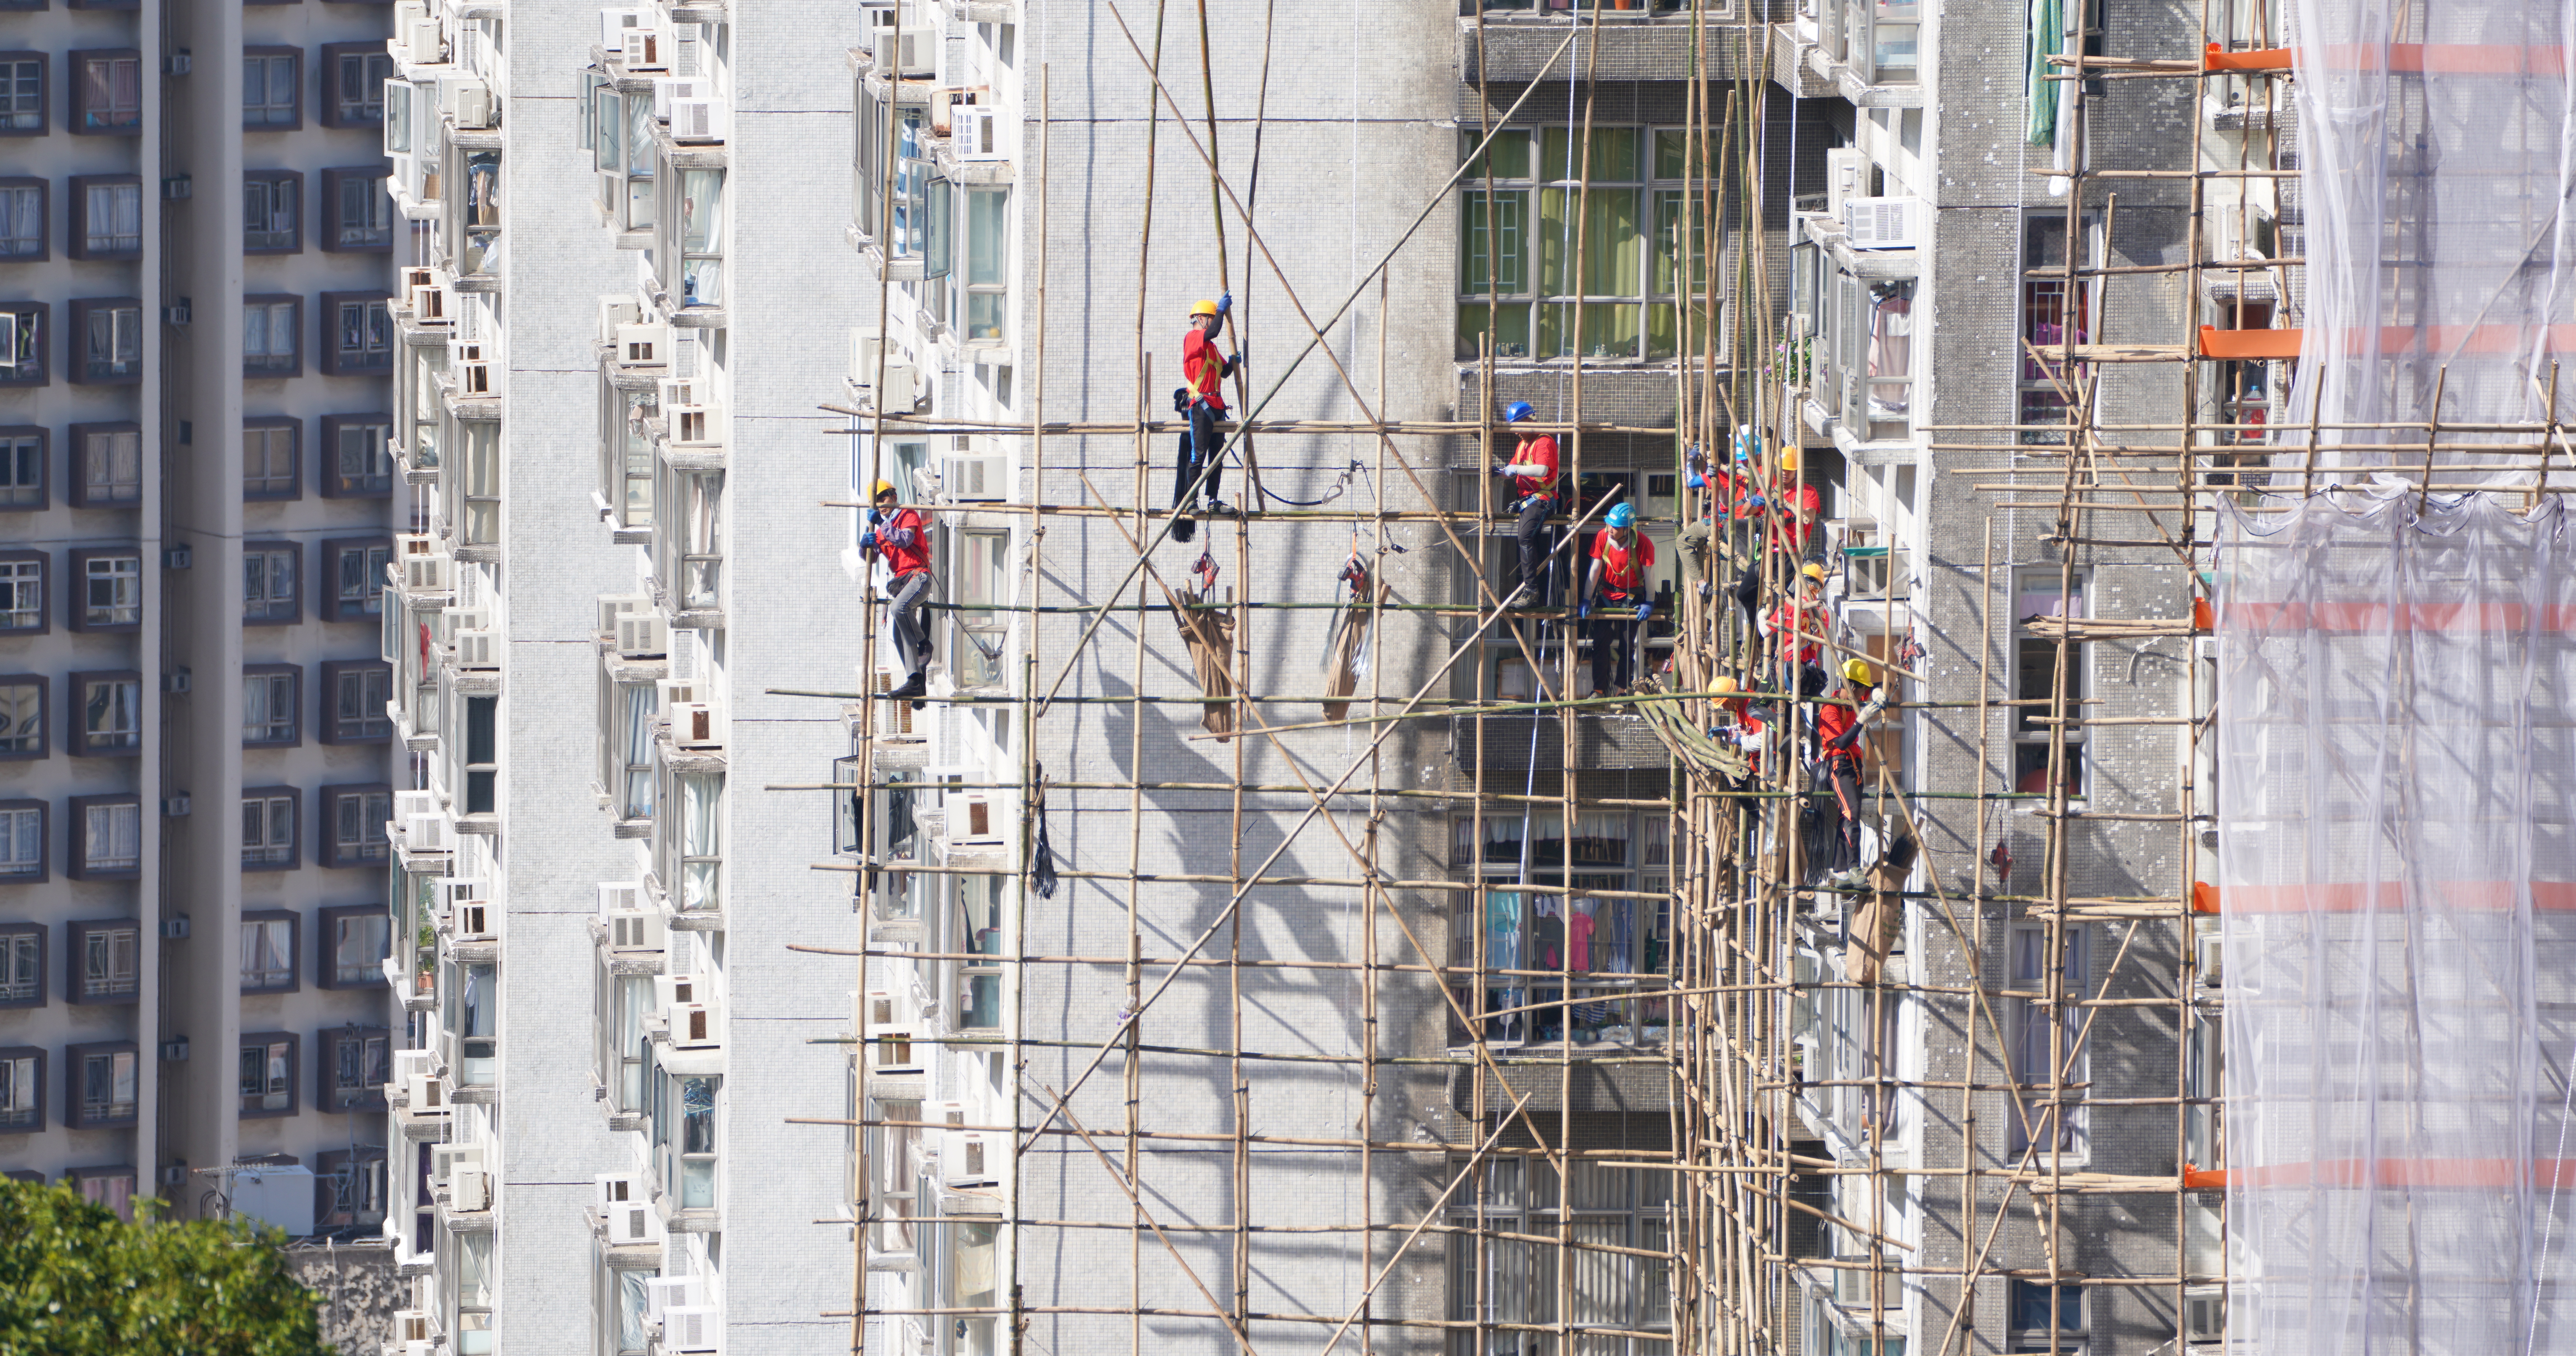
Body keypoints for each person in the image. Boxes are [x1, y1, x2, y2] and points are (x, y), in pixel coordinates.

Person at [862, 478, 934, 704]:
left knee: (897, 608)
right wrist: (864, 545)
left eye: (883, 498)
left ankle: (924, 644)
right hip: (903, 583)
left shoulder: (908, 515)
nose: (881, 504)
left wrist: (883, 526)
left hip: (919, 577)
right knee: (898, 634)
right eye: (876, 501)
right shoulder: (883, 530)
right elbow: (871, 559)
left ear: (894, 497)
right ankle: (915, 681)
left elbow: (904, 540)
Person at [1815, 658, 1887, 880]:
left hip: (1855, 767)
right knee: (1852, 812)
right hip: (1839, 766)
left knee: (1845, 817)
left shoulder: (1854, 697)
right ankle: (1855, 867)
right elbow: (1842, 743)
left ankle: (1842, 870)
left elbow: (1877, 689)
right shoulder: (1830, 709)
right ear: (1851, 687)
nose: (1863, 696)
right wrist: (1860, 722)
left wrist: (1877, 693)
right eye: (1862, 690)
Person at [1175, 295, 1243, 529]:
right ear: (1201, 319)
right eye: (1211, 318)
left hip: (1217, 406)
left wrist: (1234, 362)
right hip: (1201, 406)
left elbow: (1223, 372)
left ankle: (1213, 500)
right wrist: (1222, 310)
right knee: (1198, 454)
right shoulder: (1194, 338)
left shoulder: (1211, 348)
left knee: (1217, 457)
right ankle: (1191, 500)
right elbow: (1213, 332)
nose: (1214, 322)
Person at [1579, 502, 1657, 696]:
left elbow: (1650, 576)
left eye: (1615, 527)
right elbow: (1595, 570)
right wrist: (1587, 599)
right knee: (1600, 644)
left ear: (1626, 529)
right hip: (1607, 595)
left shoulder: (1643, 544)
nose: (1610, 529)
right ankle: (1598, 689)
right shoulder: (1602, 537)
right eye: (1609, 525)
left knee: (1626, 646)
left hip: (1633, 597)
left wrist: (1650, 602)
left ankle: (1622, 690)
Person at [1492, 401, 1560, 606]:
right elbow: (1512, 470)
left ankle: (1531, 591)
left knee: (1525, 537)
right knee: (1524, 538)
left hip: (1543, 499)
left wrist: (1516, 470)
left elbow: (1541, 471)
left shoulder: (1544, 442)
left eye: (1518, 427)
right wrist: (1499, 472)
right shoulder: (1524, 445)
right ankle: (1530, 589)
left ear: (1529, 420)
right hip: (1529, 499)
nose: (1516, 433)